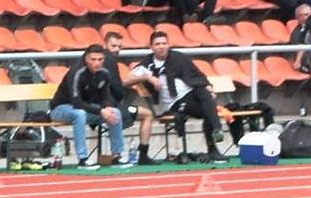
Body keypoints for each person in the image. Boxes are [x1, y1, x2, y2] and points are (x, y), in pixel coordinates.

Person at [131, 31, 227, 163]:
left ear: (169, 44)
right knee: (208, 109)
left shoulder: (178, 58)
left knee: (204, 92)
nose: (161, 46)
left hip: (192, 93)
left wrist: (207, 85)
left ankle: (216, 130)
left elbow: (196, 74)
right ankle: (213, 145)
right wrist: (148, 77)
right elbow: (128, 79)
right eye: (157, 44)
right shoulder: (147, 63)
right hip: (175, 102)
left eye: (164, 43)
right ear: (151, 47)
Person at [49, 45, 130, 170]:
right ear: (86, 59)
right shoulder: (77, 72)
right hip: (61, 108)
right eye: (93, 59)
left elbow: (105, 96)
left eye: (100, 59)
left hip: (86, 108)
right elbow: (76, 102)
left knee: (115, 112)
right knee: (79, 114)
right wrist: (101, 111)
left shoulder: (104, 73)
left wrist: (107, 107)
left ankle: (116, 155)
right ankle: (83, 158)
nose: (97, 63)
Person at [103, 31, 158, 165]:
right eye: (113, 46)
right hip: (109, 106)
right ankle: (127, 155)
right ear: (105, 45)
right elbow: (116, 87)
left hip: (112, 104)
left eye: (119, 47)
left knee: (147, 114)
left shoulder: (109, 61)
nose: (116, 49)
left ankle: (139, 154)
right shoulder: (108, 60)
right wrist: (142, 78)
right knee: (146, 114)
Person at [290, 4, 311, 73]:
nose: (304, 18)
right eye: (301, 15)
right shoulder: (297, 34)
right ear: (297, 17)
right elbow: (302, 46)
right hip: (305, 64)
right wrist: (298, 61)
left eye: (306, 15)